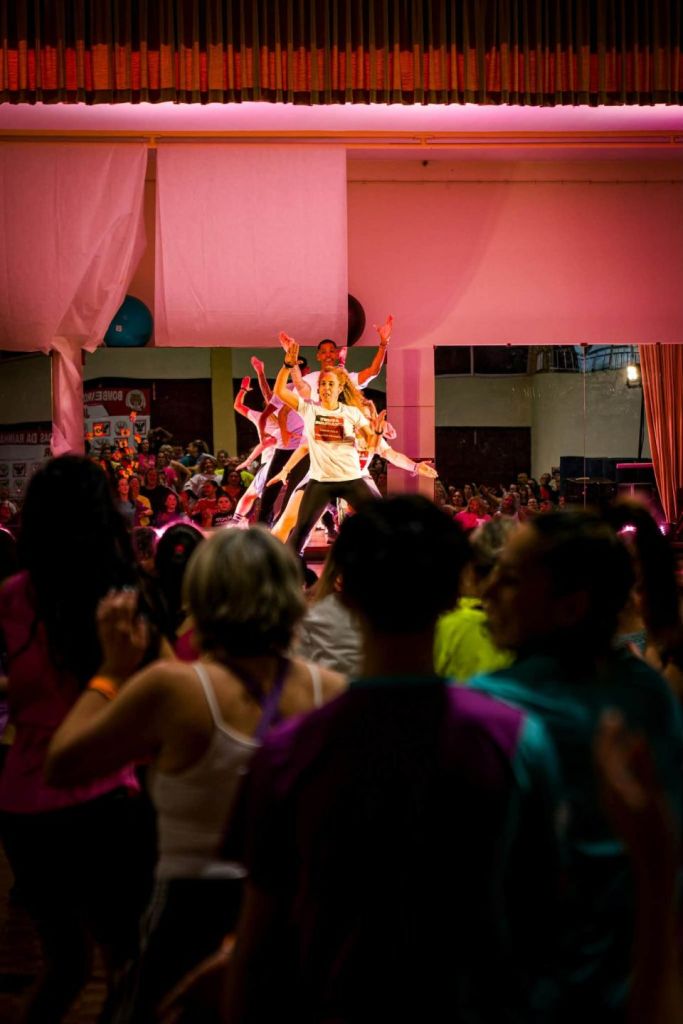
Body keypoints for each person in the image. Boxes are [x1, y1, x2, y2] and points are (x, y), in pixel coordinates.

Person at [217, 495, 563, 1024]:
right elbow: (543, 910)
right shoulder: (514, 739)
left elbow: (258, 941)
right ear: (453, 592)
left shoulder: (290, 751)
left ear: (346, 592)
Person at [45, 527, 345, 1024]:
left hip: (191, 915)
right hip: (294, 913)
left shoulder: (174, 689)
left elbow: (63, 764)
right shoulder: (331, 692)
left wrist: (112, 673)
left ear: (202, 596)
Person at [471, 510, 683, 1022]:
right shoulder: (648, 690)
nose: (487, 589)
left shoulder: (487, 709)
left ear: (570, 607)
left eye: (510, 578)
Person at [0, 456, 155, 1024]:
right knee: (125, 961)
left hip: (25, 797)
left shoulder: (14, 595)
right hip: (104, 790)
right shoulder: (123, 595)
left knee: (64, 965)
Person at [274, 339, 381, 554]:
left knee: (381, 523)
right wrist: (287, 366)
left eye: (331, 384)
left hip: (351, 480)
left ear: (340, 388)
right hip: (321, 482)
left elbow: (371, 443)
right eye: (323, 384)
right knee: (300, 531)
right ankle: (289, 571)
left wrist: (376, 433)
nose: (326, 388)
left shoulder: (351, 413)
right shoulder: (310, 410)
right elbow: (280, 392)